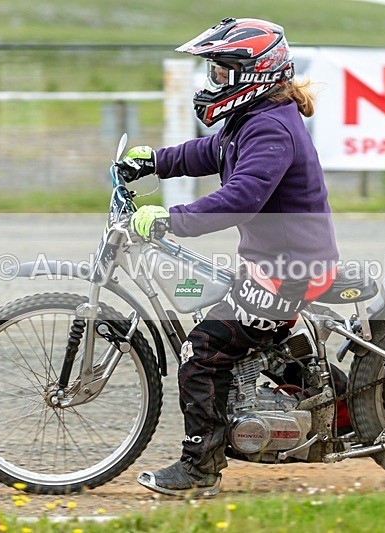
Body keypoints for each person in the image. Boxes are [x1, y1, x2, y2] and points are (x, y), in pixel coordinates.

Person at [116, 17, 342, 496]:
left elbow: (240, 197)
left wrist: (169, 218)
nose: (212, 81)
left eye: (220, 72)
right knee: (226, 320)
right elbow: (210, 152)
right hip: (277, 264)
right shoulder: (256, 120)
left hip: (292, 272)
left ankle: (200, 468)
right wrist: (154, 160)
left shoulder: (270, 130)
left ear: (253, 73)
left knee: (201, 352)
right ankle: (311, 390)